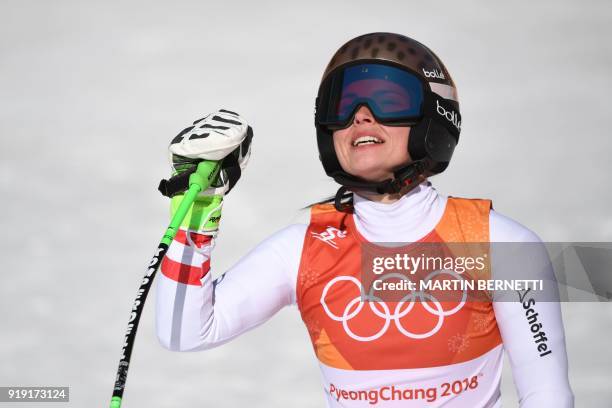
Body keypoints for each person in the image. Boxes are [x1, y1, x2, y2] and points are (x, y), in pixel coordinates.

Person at [155, 33, 574, 407]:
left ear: (434, 118)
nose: (361, 116)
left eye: (389, 101)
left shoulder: (501, 246)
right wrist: (196, 208)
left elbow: (547, 393)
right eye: (343, 104)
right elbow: (185, 333)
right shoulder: (305, 248)